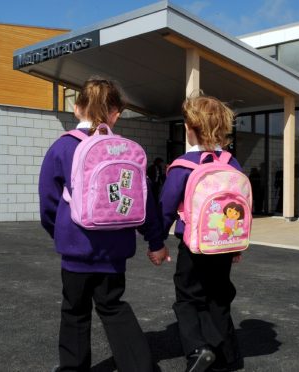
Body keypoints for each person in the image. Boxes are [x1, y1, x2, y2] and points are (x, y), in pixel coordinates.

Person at [39, 78, 169, 372]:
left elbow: (47, 201)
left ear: (76, 108)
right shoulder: (125, 151)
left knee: (75, 310)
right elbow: (144, 201)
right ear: (115, 114)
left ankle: (73, 368)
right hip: (115, 250)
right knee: (113, 306)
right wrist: (156, 242)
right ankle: (139, 367)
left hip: (76, 249)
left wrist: (58, 232)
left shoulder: (62, 148)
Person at [150, 95, 244, 372]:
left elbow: (166, 208)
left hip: (193, 247)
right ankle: (227, 356)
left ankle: (198, 349)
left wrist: (157, 242)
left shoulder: (183, 166)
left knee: (188, 299)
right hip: (224, 246)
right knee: (219, 297)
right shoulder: (232, 163)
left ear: (191, 128)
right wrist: (236, 246)